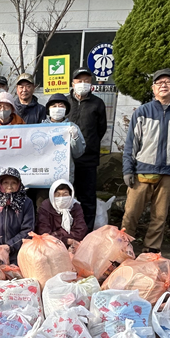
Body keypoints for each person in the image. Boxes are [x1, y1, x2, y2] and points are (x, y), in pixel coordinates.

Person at [122, 68, 170, 252]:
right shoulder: (143, 112)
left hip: (169, 171)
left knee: (160, 215)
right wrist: (127, 170)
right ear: (153, 88)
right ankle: (123, 247)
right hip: (143, 170)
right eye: (159, 83)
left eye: (168, 82)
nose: (164, 85)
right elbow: (132, 143)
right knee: (131, 213)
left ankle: (152, 249)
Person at [68, 68, 108, 229]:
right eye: (79, 81)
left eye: (86, 81)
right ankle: (68, 232)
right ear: (72, 83)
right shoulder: (65, 103)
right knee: (65, 197)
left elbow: (101, 130)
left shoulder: (97, 103)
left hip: (88, 159)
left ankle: (86, 234)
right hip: (66, 160)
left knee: (87, 199)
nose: (82, 84)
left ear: (91, 83)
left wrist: (88, 145)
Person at [0, 167, 35, 263]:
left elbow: (28, 230)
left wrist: (9, 246)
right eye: (5, 183)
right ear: (0, 184)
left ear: (19, 184)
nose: (9, 186)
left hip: (18, 251)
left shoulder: (26, 202)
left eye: (14, 183)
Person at [43, 93, 86, 182]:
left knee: (63, 195)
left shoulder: (72, 127)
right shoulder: (40, 128)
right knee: (43, 196)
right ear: (48, 109)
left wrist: (75, 138)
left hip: (65, 173)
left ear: (66, 109)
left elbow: (78, 153)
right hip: (44, 173)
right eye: (54, 106)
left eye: (61, 106)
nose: (57, 109)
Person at [36, 179, 88, 248]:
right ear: (52, 195)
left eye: (65, 194)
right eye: (57, 195)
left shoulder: (75, 207)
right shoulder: (45, 207)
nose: (61, 198)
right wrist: (66, 240)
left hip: (74, 244)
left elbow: (81, 230)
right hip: (51, 245)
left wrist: (57, 233)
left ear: (71, 195)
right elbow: (44, 233)